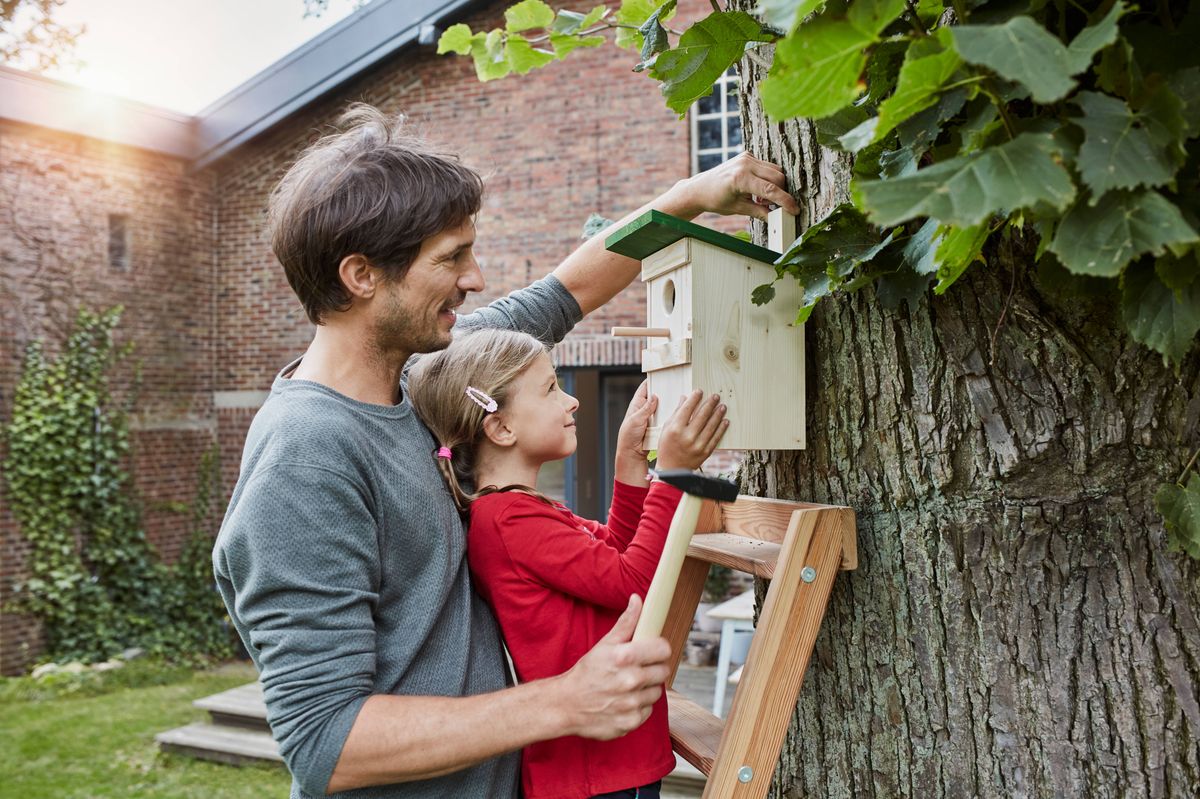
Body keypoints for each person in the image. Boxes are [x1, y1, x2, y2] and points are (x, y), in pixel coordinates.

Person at [212, 103, 798, 799]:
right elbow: (324, 743)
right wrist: (564, 701)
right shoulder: (305, 462)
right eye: (452, 258)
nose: (476, 278)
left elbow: (564, 292)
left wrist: (694, 197)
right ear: (362, 275)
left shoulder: (426, 375)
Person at [408, 329, 728, 799]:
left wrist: (628, 465)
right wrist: (674, 475)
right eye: (551, 388)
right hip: (595, 771)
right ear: (500, 429)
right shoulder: (507, 520)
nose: (572, 401)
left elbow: (618, 554)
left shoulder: (527, 510)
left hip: (609, 761)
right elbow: (633, 582)